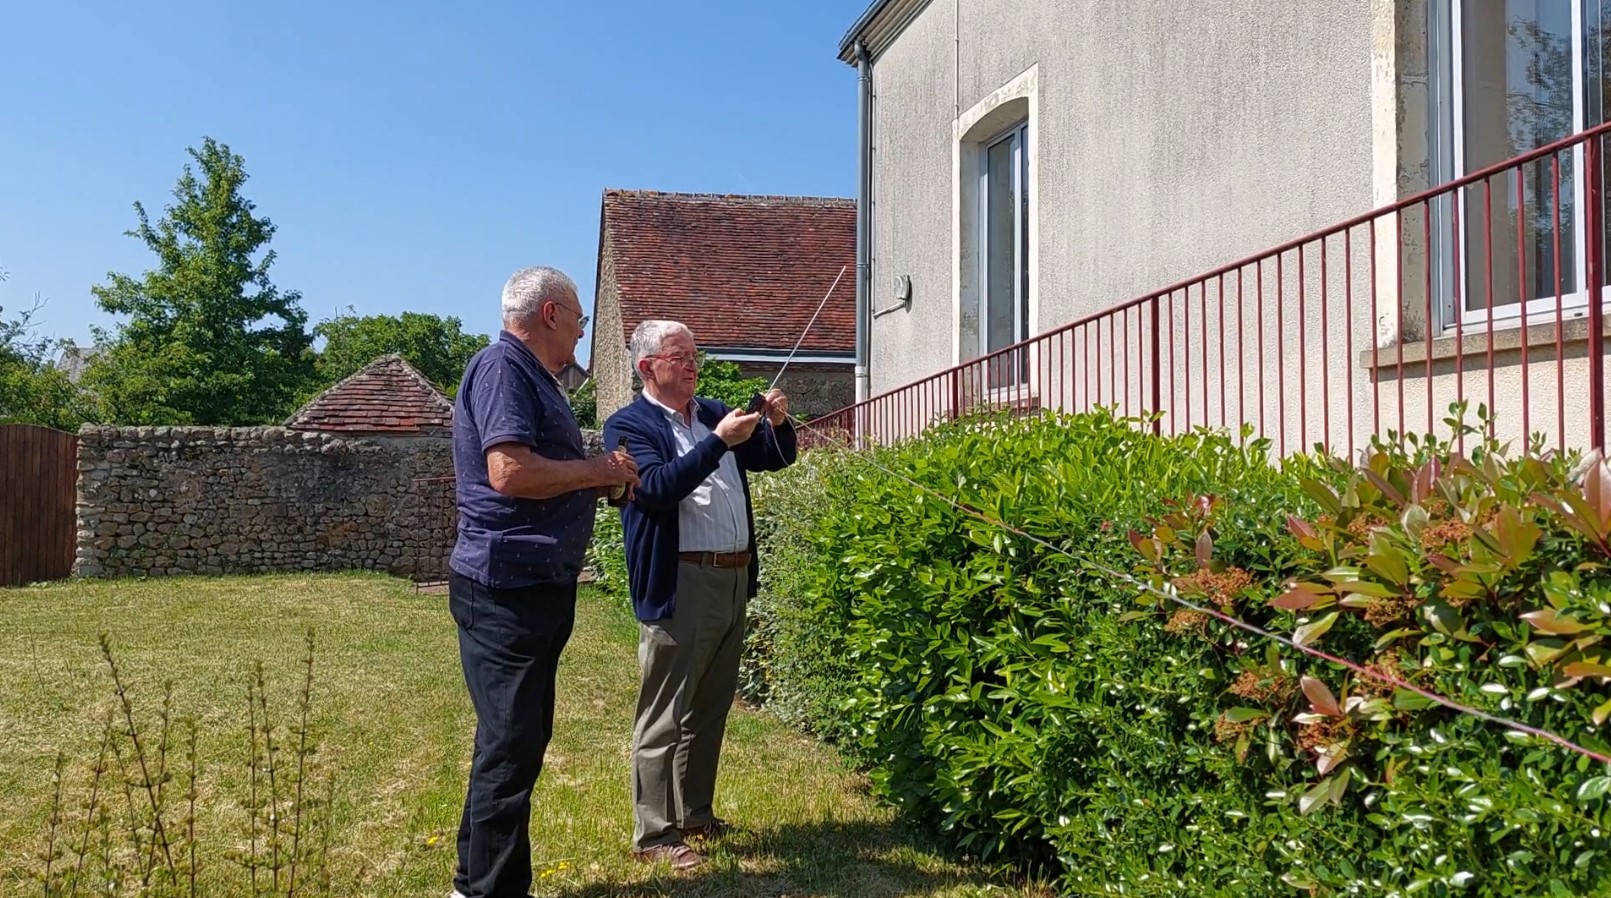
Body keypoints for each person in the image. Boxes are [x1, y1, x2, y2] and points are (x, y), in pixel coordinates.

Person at [448, 266, 639, 898]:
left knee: (510, 739)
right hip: (508, 587)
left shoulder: (533, 378)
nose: (583, 335)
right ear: (551, 313)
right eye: (581, 321)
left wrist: (601, 476)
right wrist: (596, 470)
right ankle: (491, 891)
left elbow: (542, 469)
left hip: (530, 584)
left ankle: (473, 882)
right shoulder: (504, 368)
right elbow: (508, 472)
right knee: (512, 744)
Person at [602, 319, 798, 870]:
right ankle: (655, 835)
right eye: (679, 356)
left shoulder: (711, 412)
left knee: (709, 708)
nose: (692, 365)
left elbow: (774, 458)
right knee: (664, 714)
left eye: (694, 355)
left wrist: (777, 425)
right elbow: (658, 490)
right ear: (648, 367)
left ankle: (695, 815)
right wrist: (717, 443)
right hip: (681, 580)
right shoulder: (627, 425)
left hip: (733, 578)